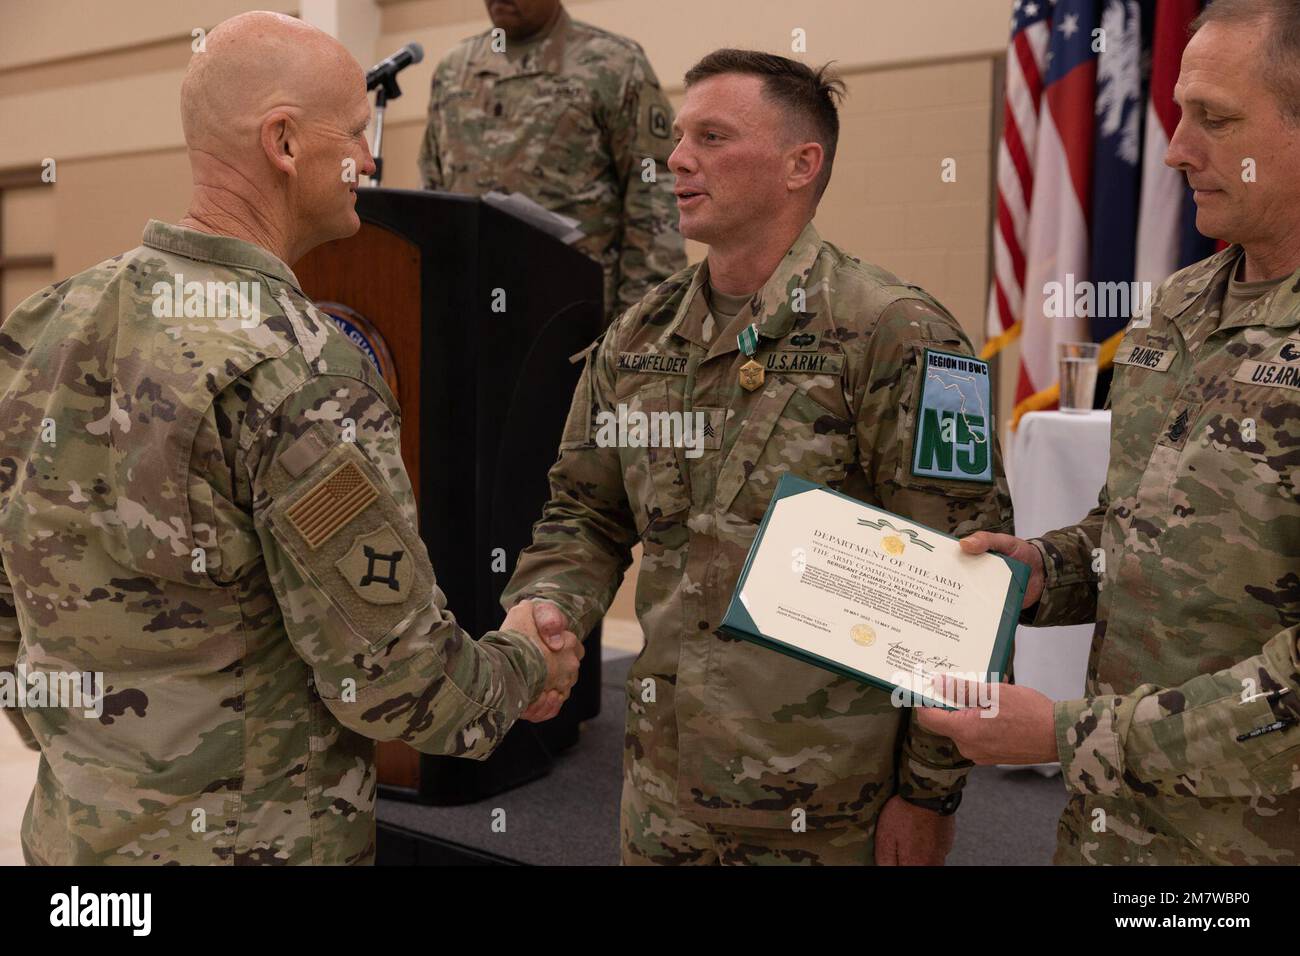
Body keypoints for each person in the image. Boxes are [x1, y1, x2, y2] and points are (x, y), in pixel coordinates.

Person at [0, 10, 581, 866]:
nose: (371, 161)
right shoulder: (301, 372)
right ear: (283, 142)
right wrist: (526, 666)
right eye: (353, 135)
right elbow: (398, 684)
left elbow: (11, 606)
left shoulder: (46, 322)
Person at [505, 50, 1014, 865]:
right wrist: (549, 608)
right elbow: (587, 513)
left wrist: (928, 794)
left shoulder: (895, 333)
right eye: (677, 136)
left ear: (799, 165)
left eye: (712, 135)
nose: (676, 158)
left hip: (829, 805)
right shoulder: (640, 338)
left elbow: (966, 583)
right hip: (661, 794)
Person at [917, 0, 1300, 865]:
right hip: (1115, 834)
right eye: (1175, 112)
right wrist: (1043, 571)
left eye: (1216, 118)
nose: (1174, 149)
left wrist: (1066, 733)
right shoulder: (1178, 306)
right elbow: (1144, 526)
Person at [418, 0, 686, 321]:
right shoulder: (453, 70)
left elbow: (653, 192)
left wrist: (639, 320)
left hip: (576, 315)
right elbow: (432, 192)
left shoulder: (615, 65)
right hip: (469, 309)